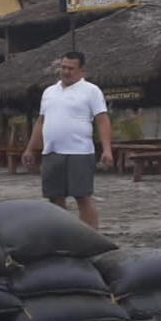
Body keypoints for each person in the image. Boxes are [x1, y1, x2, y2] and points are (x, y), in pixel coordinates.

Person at [22, 51, 113, 229]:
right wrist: (30, 148)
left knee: (82, 196)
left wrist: (107, 149)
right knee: (55, 197)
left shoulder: (91, 91)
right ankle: (62, 236)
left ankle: (89, 238)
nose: (66, 72)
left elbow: (102, 120)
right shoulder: (49, 92)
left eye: (71, 68)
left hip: (79, 152)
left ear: (81, 70)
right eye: (63, 67)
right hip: (52, 152)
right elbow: (41, 121)